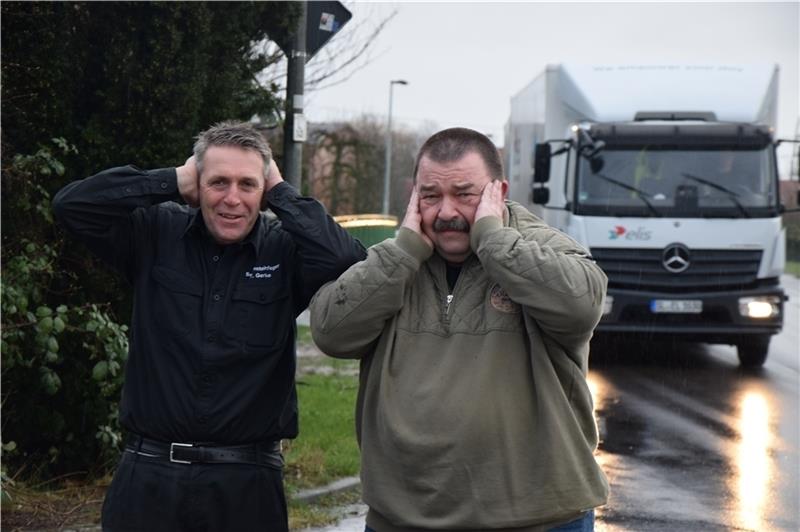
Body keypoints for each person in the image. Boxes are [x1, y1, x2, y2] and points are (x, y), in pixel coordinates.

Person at [53, 121, 366, 532]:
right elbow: (71, 206)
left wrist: (282, 194)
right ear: (196, 184)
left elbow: (347, 259)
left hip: (247, 488)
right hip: (147, 480)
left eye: (247, 184)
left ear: (264, 189)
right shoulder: (154, 233)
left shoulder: (284, 251)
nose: (231, 199)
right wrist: (170, 179)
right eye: (218, 182)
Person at [310, 127, 609, 532]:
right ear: (414, 195)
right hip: (403, 519)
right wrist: (403, 254)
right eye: (431, 195)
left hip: (538, 520)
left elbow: (581, 305)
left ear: (497, 192)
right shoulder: (397, 259)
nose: (447, 213)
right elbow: (330, 332)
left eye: (465, 195)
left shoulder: (543, 247)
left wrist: (492, 240)